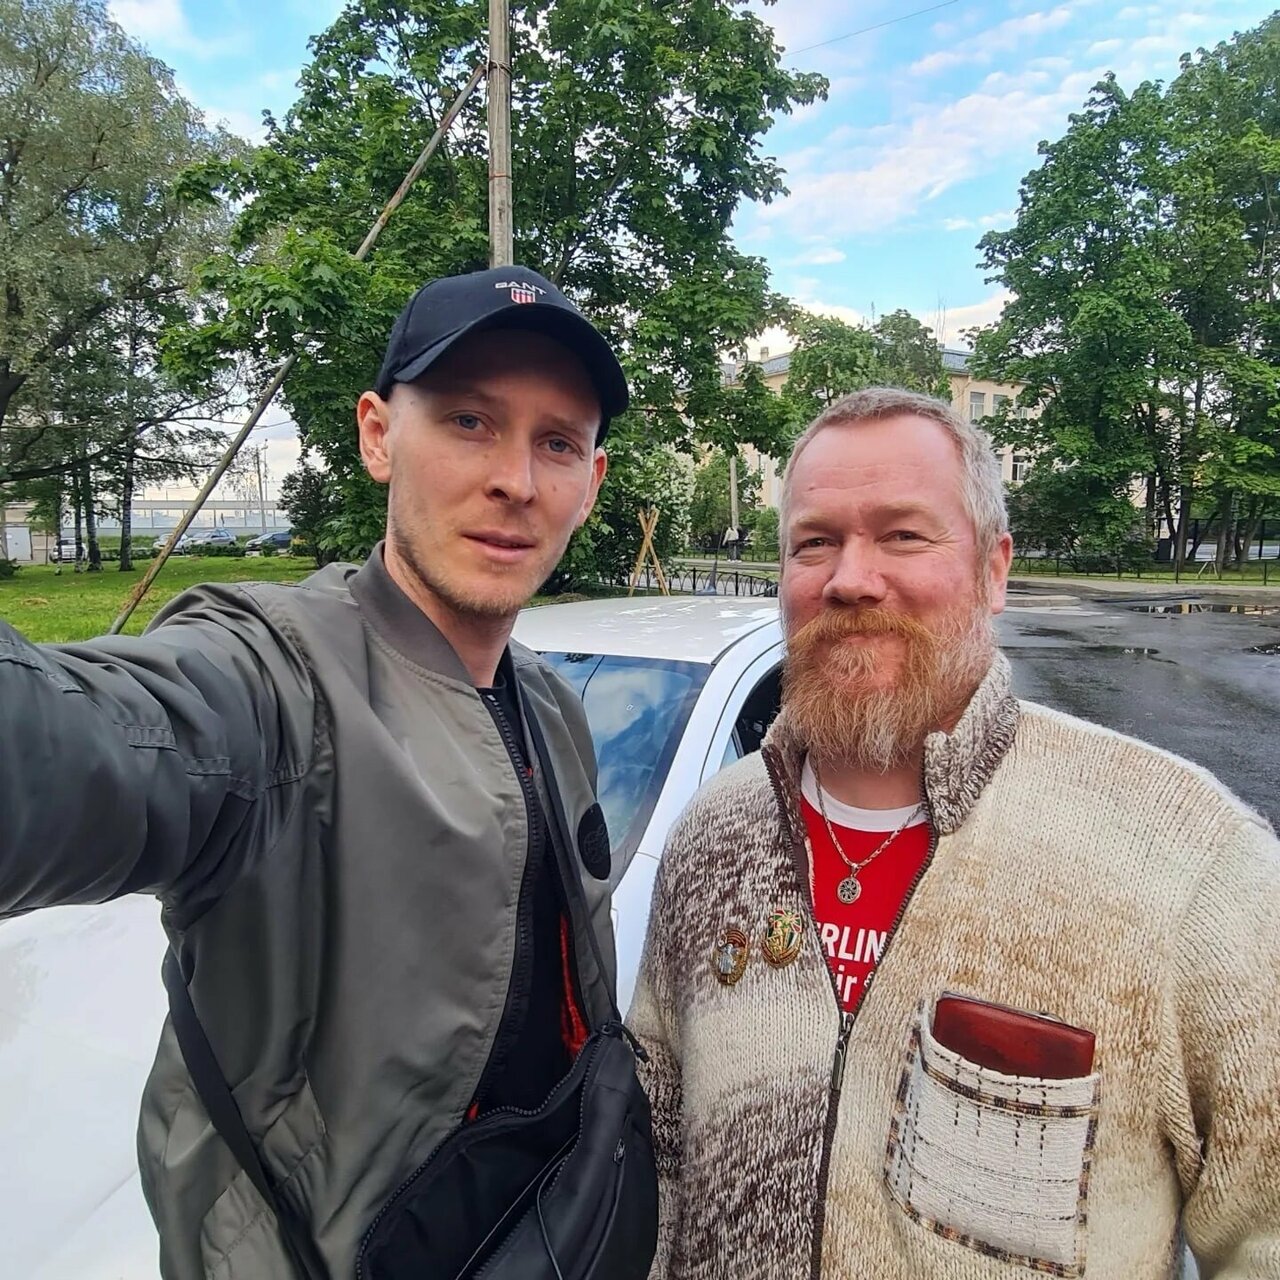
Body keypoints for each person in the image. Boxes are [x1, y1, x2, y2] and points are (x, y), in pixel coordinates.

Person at [0, 266, 652, 1278]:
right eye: (470, 421)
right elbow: (80, 742)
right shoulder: (275, 677)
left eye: (556, 442)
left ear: (591, 482)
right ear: (377, 435)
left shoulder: (553, 707)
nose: (517, 481)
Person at [629, 387, 1280, 1279]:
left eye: (903, 535)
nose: (851, 579)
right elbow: (658, 1149)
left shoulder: (1187, 857)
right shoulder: (714, 831)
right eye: (814, 542)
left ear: (994, 569)